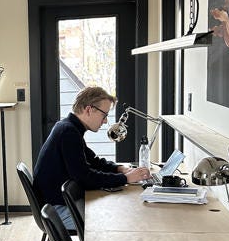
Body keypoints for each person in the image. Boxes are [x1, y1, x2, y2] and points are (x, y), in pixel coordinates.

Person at [33, 86, 151, 231]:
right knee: (113, 220)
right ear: (89, 110)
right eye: (104, 115)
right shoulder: (69, 132)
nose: (105, 121)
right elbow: (85, 178)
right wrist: (125, 179)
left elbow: (93, 161)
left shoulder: (68, 127)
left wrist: (119, 169)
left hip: (57, 204)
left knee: (114, 210)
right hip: (57, 211)